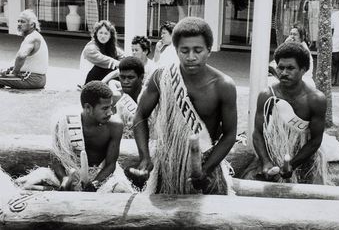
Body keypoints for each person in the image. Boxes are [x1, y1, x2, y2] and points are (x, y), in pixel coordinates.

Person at [132, 17, 237, 195]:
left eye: (198, 50)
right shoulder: (162, 76)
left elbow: (229, 135)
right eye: (184, 51)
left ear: (209, 50)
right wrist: (144, 157)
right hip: (167, 166)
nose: (191, 57)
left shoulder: (223, 85)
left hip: (207, 169)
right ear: (176, 51)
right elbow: (140, 115)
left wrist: (206, 169)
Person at [16, 81, 136, 193]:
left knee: (122, 190)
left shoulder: (115, 126)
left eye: (110, 107)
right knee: (27, 185)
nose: (110, 112)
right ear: (88, 108)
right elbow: (56, 158)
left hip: (101, 176)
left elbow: (110, 165)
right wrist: (64, 179)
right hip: (69, 173)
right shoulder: (64, 121)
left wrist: (95, 184)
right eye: (105, 108)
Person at [252, 42, 328, 184]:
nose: (284, 73)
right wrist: (266, 161)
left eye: (290, 68)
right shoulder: (267, 95)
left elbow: (316, 140)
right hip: (273, 152)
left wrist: (291, 165)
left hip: (304, 156)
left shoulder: (316, 99)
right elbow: (257, 133)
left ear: (303, 70)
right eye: (280, 68)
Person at [0, 9, 48, 89]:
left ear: (32, 25)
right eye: (18, 21)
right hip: (37, 78)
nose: (19, 24)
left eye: (23, 22)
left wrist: (14, 73)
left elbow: (21, 56)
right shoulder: (35, 36)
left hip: (31, 78)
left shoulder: (32, 38)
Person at [80, 20, 125, 84]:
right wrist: (120, 64)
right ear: (96, 34)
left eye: (106, 33)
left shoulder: (109, 46)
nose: (103, 36)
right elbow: (103, 60)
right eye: (100, 33)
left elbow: (122, 55)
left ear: (110, 36)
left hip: (101, 79)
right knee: (109, 67)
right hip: (88, 82)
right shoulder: (90, 47)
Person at [270, 23, 315, 88]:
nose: (292, 37)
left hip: (303, 81)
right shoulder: (295, 47)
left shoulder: (301, 49)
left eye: (295, 34)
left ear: (302, 37)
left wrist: (286, 44)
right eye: (290, 34)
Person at [114, 57, 144, 139]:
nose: (125, 82)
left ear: (141, 77)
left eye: (130, 78)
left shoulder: (151, 99)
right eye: (122, 77)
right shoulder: (121, 103)